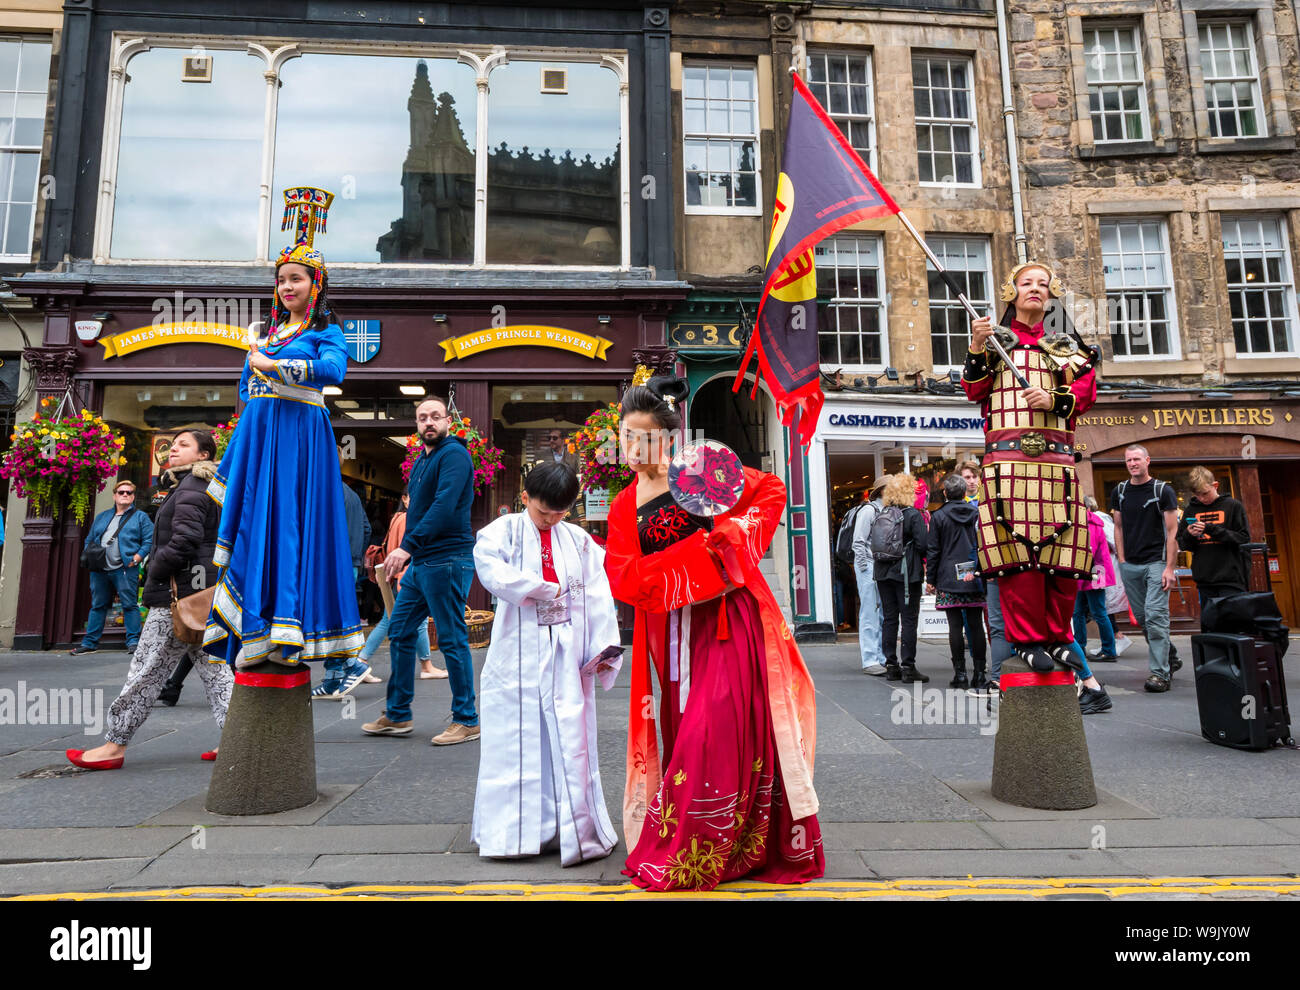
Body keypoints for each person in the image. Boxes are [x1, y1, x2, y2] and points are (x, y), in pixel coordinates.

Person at [605, 375, 823, 891]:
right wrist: (702, 559)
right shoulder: (623, 504)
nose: (634, 449)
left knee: (716, 730)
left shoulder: (700, 470)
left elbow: (770, 491)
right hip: (676, 632)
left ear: (669, 436)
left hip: (731, 622)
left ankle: (717, 848)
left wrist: (734, 534)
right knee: (688, 732)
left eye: (645, 437)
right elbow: (624, 575)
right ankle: (704, 845)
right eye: (626, 437)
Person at [203, 228, 369, 694]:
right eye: (281, 280)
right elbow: (245, 390)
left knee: (290, 525)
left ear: (315, 285)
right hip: (263, 435)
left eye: (296, 279)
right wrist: (256, 377)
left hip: (298, 435)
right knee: (260, 524)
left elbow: (335, 371)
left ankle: (286, 628)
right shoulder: (266, 333)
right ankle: (260, 627)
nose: (287, 287)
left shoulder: (324, 331)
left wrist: (274, 367)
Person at [471, 462, 623, 864]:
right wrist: (539, 589)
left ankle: (573, 827)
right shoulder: (500, 532)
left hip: (567, 647)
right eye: (543, 512)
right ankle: (512, 834)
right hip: (517, 642)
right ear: (525, 499)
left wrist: (603, 649)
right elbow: (490, 569)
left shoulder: (579, 540)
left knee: (572, 736)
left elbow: (598, 594)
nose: (552, 519)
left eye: (560, 513)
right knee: (515, 736)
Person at [66, 431, 233, 770]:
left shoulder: (189, 489)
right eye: (173, 444)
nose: (174, 448)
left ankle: (114, 744)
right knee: (216, 670)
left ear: (203, 453)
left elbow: (184, 540)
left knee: (146, 670)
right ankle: (237, 739)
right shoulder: (198, 486)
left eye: (183, 444)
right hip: (196, 595)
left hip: (177, 597)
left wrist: (154, 568)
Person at [963, 261, 1097, 675]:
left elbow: (1087, 388)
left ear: (1051, 293)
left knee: (1065, 551)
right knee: (1016, 551)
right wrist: (975, 346)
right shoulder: (994, 341)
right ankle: (1027, 639)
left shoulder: (1066, 345)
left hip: (1056, 464)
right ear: (1012, 291)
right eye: (1026, 283)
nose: (1035, 289)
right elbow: (974, 389)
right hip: (1008, 462)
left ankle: (1059, 636)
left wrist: (1055, 400)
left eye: (1042, 283)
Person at [365, 395, 478, 744]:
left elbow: (444, 506)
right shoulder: (420, 461)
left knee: (451, 639)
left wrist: (406, 547)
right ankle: (398, 715)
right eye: (422, 418)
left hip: (446, 559)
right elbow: (416, 509)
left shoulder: (454, 454)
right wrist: (409, 551)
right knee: (399, 632)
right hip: (422, 562)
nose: (428, 422)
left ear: (447, 422)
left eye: (435, 417)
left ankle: (467, 719)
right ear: (417, 426)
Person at [346, 491, 440, 689]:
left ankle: (363, 662)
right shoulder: (407, 518)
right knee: (408, 620)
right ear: (404, 498)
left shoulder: (396, 518)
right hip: (405, 576)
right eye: (412, 496)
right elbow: (408, 551)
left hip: (397, 576)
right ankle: (425, 666)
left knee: (394, 620)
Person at [1109, 444, 1180, 693]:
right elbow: (1117, 526)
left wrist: (1170, 568)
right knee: (1143, 619)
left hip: (1157, 562)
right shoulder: (1120, 491)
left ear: (1147, 460)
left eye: (1137, 459)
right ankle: (1169, 654)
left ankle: (1160, 674)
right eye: (1128, 460)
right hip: (1131, 565)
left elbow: (1173, 532)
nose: (1132, 463)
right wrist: (1122, 558)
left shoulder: (1163, 490)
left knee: (1155, 616)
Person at [71, 480, 154, 656]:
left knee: (129, 605)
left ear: (133, 497)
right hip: (100, 570)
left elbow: (149, 540)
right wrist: (89, 556)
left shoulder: (141, 517)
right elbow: (90, 539)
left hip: (125, 568)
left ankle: (133, 642)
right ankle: (90, 643)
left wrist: (137, 557)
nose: (125, 495)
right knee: (98, 605)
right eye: (122, 492)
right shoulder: (102, 516)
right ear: (114, 495)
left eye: (129, 493)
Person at [925, 473, 987, 690]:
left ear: (945, 493)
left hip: (948, 576)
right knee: (976, 624)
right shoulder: (976, 513)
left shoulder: (938, 516)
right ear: (963, 492)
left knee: (955, 627)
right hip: (973, 574)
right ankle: (979, 674)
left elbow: (933, 550)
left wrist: (930, 578)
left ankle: (960, 674)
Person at [875, 473, 930, 682]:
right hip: (906, 574)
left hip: (882, 573)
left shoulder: (882, 513)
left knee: (889, 619)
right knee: (908, 620)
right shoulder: (913, 515)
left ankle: (891, 666)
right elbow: (924, 545)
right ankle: (908, 667)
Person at [1177, 466, 1250, 611]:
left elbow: (1243, 539)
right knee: (1210, 628)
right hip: (1204, 579)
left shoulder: (1233, 506)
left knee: (1232, 626)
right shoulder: (1191, 510)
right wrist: (1189, 535)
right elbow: (1183, 544)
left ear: (1215, 485)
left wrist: (1210, 529)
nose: (1202, 498)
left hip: (1232, 579)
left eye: (1205, 493)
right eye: (1197, 495)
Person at [852, 475, 889, 675]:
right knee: (869, 612)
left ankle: (880, 656)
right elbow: (858, 541)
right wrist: (865, 568)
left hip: (880, 566)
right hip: (870, 566)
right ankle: (870, 659)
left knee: (882, 612)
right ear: (883, 490)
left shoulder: (886, 510)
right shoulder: (868, 510)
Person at [1074, 499, 1120, 661]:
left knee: (1097, 612)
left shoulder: (1090, 523)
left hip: (1093, 571)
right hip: (1090, 571)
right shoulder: (1088, 522)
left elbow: (1089, 550)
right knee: (1079, 612)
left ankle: (1108, 650)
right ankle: (1080, 648)